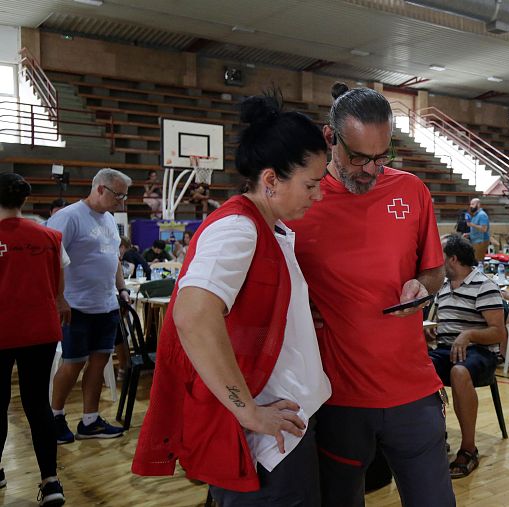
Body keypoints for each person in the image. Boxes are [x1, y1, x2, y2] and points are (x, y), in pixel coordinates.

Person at [133, 95, 332, 504]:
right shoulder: (239, 229)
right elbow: (192, 316)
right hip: (267, 437)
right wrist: (248, 412)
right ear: (272, 179)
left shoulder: (265, 227)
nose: (319, 195)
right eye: (311, 185)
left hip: (283, 426)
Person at [286, 82, 453, 506]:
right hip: (336, 396)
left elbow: (433, 269)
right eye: (359, 157)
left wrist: (424, 287)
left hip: (413, 390)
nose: (372, 170)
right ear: (330, 139)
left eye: (383, 157)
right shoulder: (300, 202)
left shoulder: (412, 191)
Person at [47, 168, 131, 443]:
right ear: (99, 189)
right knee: (73, 363)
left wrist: (122, 289)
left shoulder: (109, 220)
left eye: (124, 196)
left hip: (106, 305)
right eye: (118, 195)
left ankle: (90, 421)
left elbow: (114, 259)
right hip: (76, 306)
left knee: (100, 361)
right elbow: (51, 261)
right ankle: (55, 416)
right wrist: (59, 299)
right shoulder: (68, 218)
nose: (122, 202)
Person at [0, 174, 68, 506]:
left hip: (2, 328)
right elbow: (59, 287)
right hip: (41, 329)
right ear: (24, 200)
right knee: (37, 404)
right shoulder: (50, 236)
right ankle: (51, 481)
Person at [428, 236, 505, 479]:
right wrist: (433, 328)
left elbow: (499, 332)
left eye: (439, 255)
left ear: (452, 258)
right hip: (447, 348)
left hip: (480, 353)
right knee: (420, 368)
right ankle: (437, 437)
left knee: (459, 372)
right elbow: (445, 323)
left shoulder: (484, 286)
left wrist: (469, 335)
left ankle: (469, 449)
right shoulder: (443, 286)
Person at [467, 197, 490, 262]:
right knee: (476, 260)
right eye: (470, 204)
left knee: (478, 261)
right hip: (475, 240)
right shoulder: (475, 215)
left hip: (481, 241)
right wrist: (469, 234)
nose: (471, 206)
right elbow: (476, 229)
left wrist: (471, 224)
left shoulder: (482, 215)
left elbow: (484, 229)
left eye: (473, 204)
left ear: (478, 205)